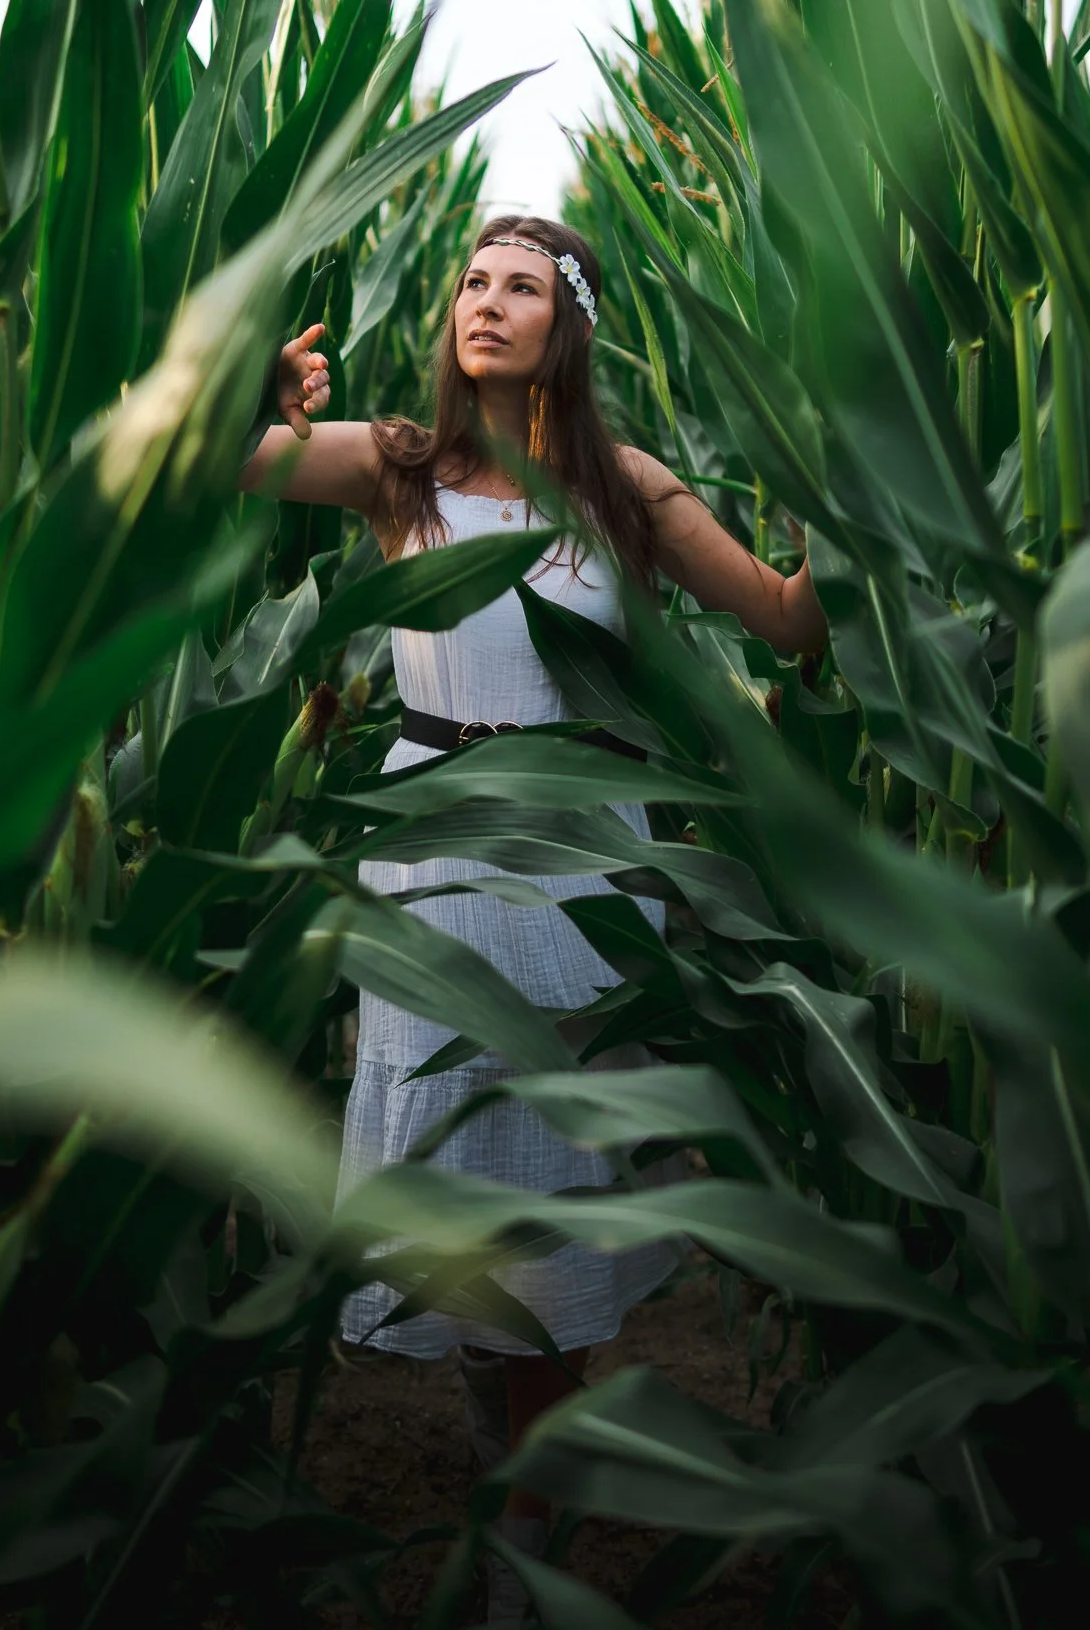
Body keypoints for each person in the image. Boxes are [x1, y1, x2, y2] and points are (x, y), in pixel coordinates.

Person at [241, 212, 826, 1617]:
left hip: (575, 858)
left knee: (548, 1201)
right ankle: (498, 1471)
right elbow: (229, 469)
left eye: (520, 288)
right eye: (471, 283)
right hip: (434, 846)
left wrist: (852, 495)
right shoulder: (399, 469)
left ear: (569, 329)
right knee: (458, 1187)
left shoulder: (625, 492)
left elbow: (791, 623)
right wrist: (261, 397)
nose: (485, 305)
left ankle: (527, 1550)